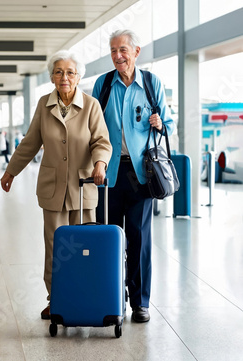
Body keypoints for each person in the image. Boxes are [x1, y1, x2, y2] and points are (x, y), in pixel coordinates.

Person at [0, 50, 112, 320]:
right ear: (51, 76)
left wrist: (100, 163)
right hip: (53, 190)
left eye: (70, 72)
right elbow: (30, 143)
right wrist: (11, 171)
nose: (65, 77)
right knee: (56, 248)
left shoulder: (91, 105)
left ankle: (85, 297)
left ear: (79, 76)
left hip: (83, 189)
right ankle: (57, 299)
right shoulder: (44, 105)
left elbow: (101, 141)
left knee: (85, 247)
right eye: (59, 72)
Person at [92, 29, 174, 323]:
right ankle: (111, 297)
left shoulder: (151, 83)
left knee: (139, 239)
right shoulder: (103, 85)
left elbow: (170, 124)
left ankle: (140, 301)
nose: (118, 56)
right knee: (110, 237)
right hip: (110, 174)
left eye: (123, 50)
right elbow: (93, 128)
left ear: (136, 52)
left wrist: (161, 123)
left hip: (141, 174)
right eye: (113, 51)